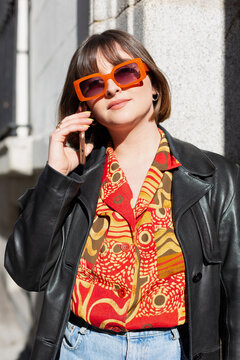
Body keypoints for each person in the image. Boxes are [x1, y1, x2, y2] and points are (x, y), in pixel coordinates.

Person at [4, 29, 240, 360]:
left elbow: (236, 298)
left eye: (125, 73)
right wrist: (57, 176)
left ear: (154, 85)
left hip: (174, 350)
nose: (113, 88)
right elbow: (28, 273)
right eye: (94, 84)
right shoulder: (74, 177)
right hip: (82, 348)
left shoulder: (216, 176)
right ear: (85, 105)